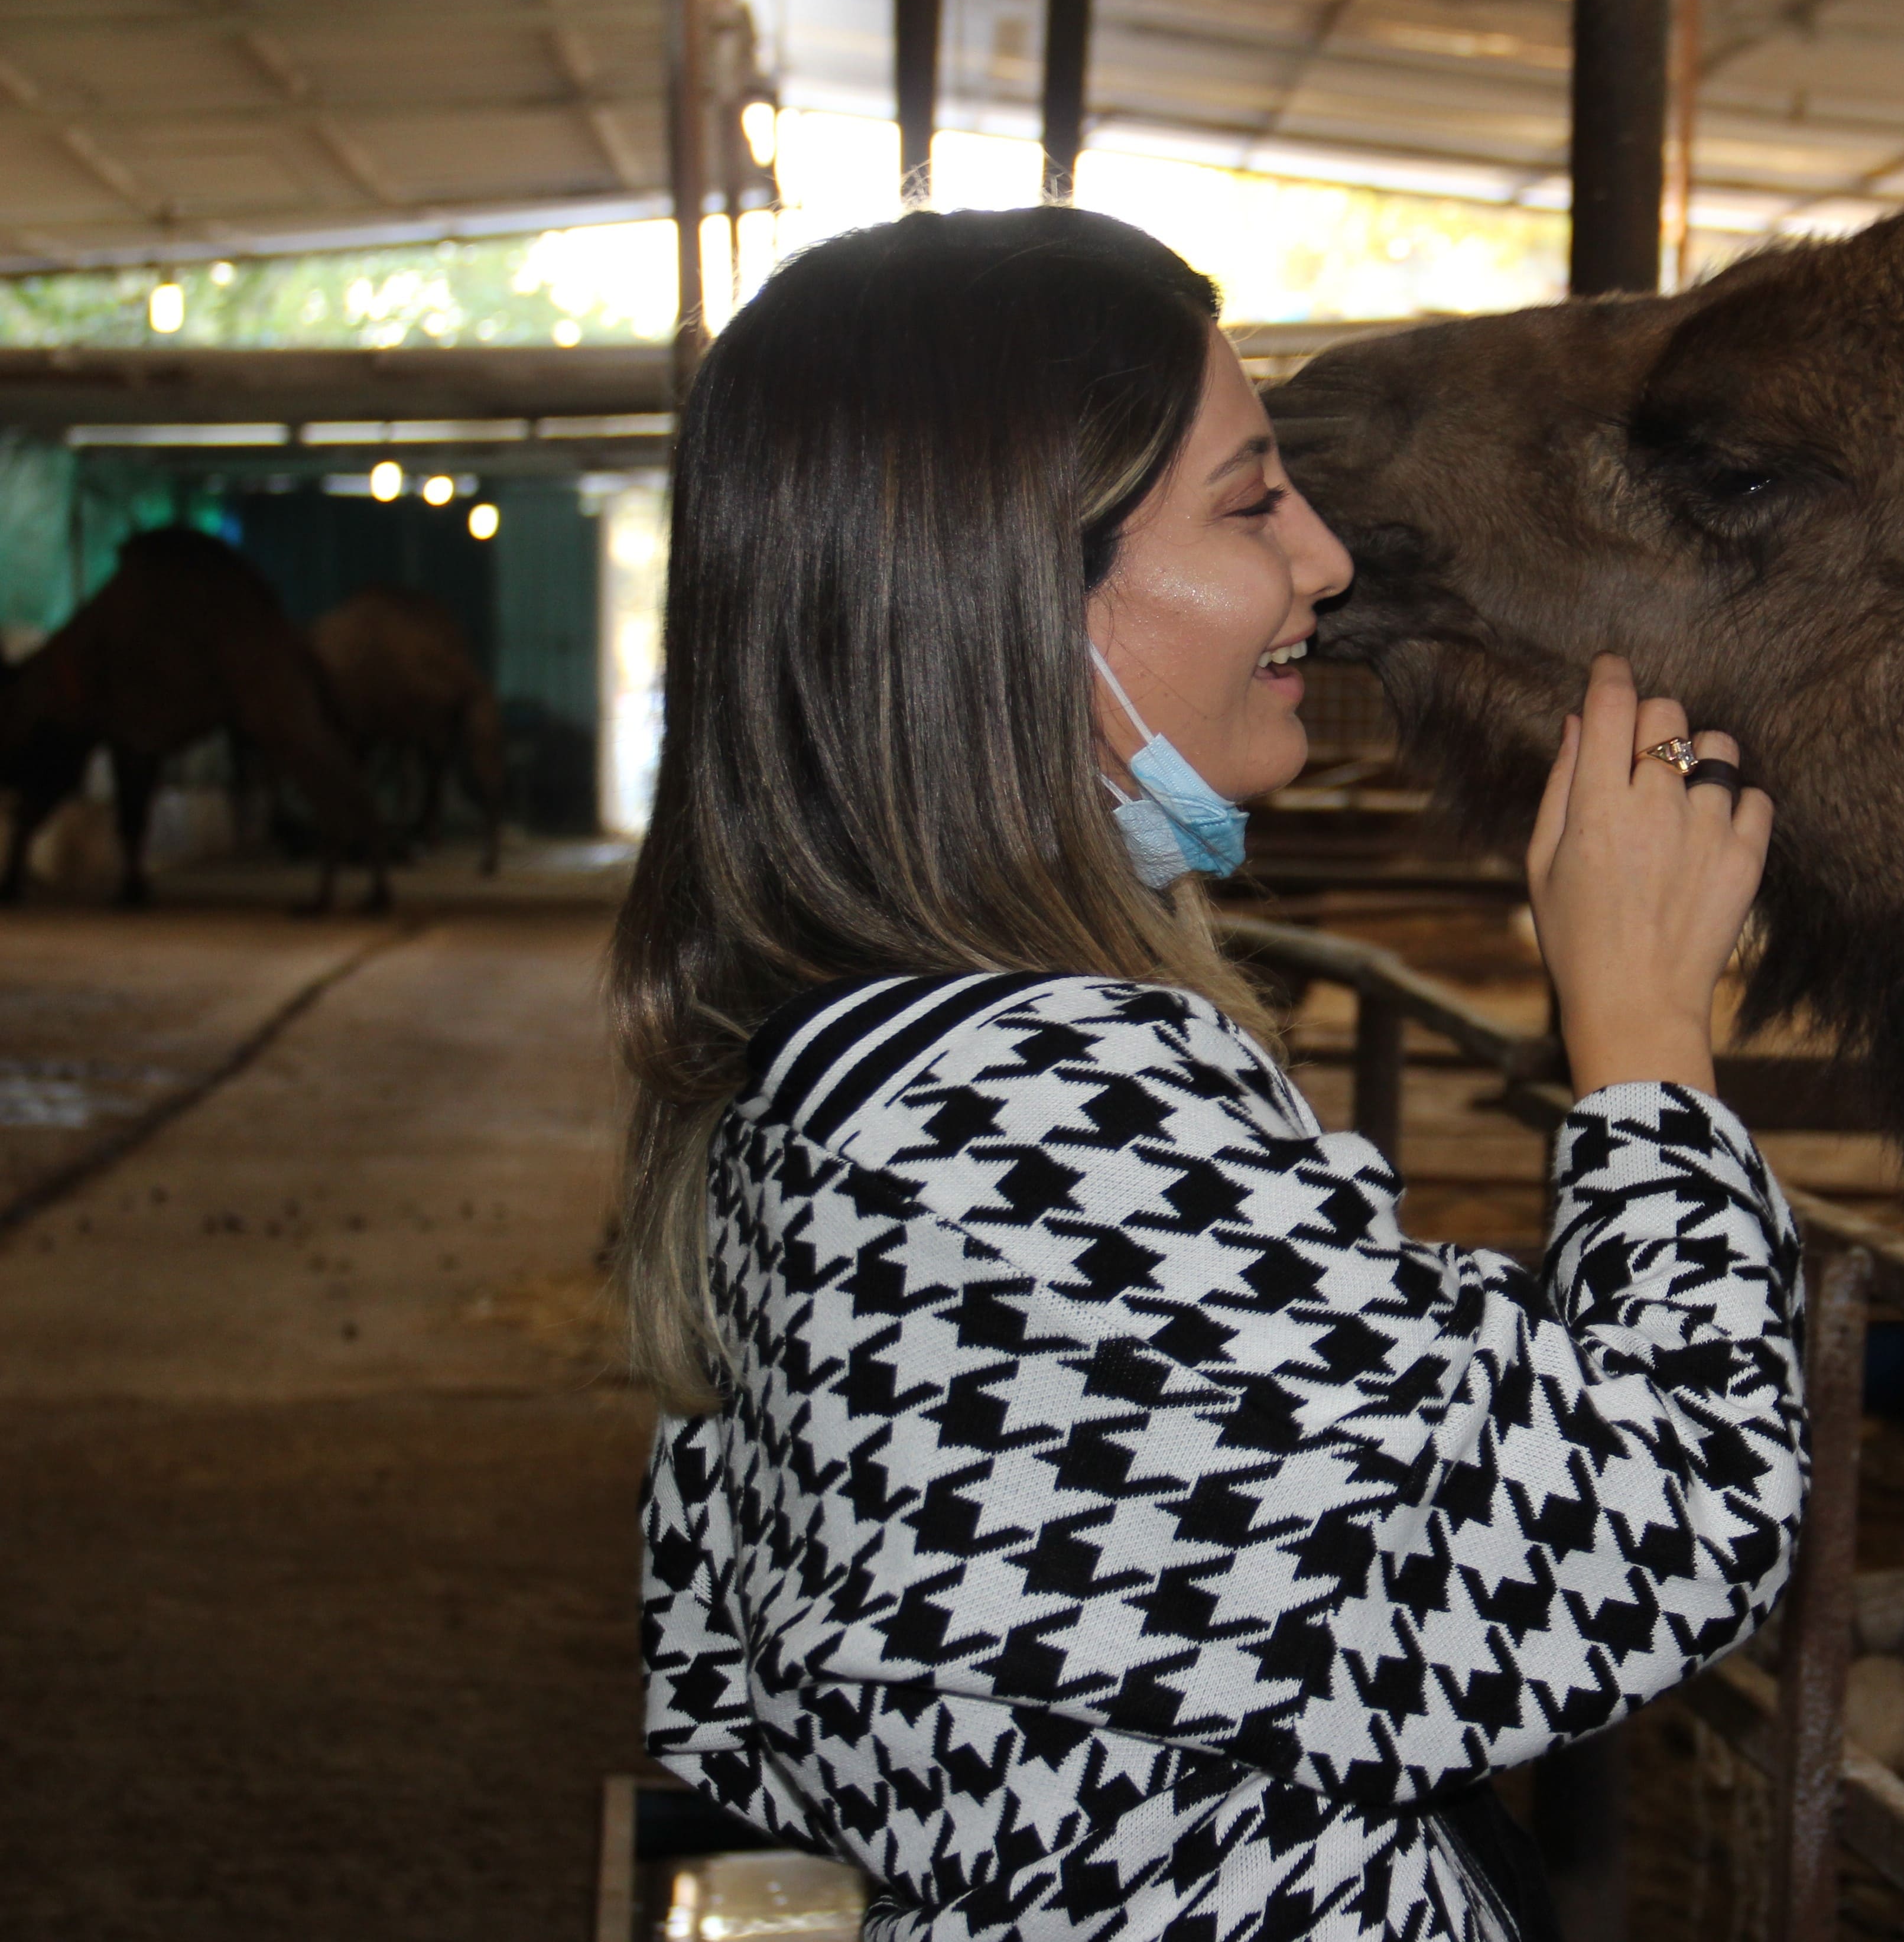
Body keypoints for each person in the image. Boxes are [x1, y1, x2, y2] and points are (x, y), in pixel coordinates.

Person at [609, 205, 1808, 1941]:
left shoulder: (845, 1080)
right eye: (1253, 503)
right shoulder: (1034, 1109)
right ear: (1012, 586)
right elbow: (1665, 1523)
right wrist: (1640, 1043)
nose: (1322, 560)